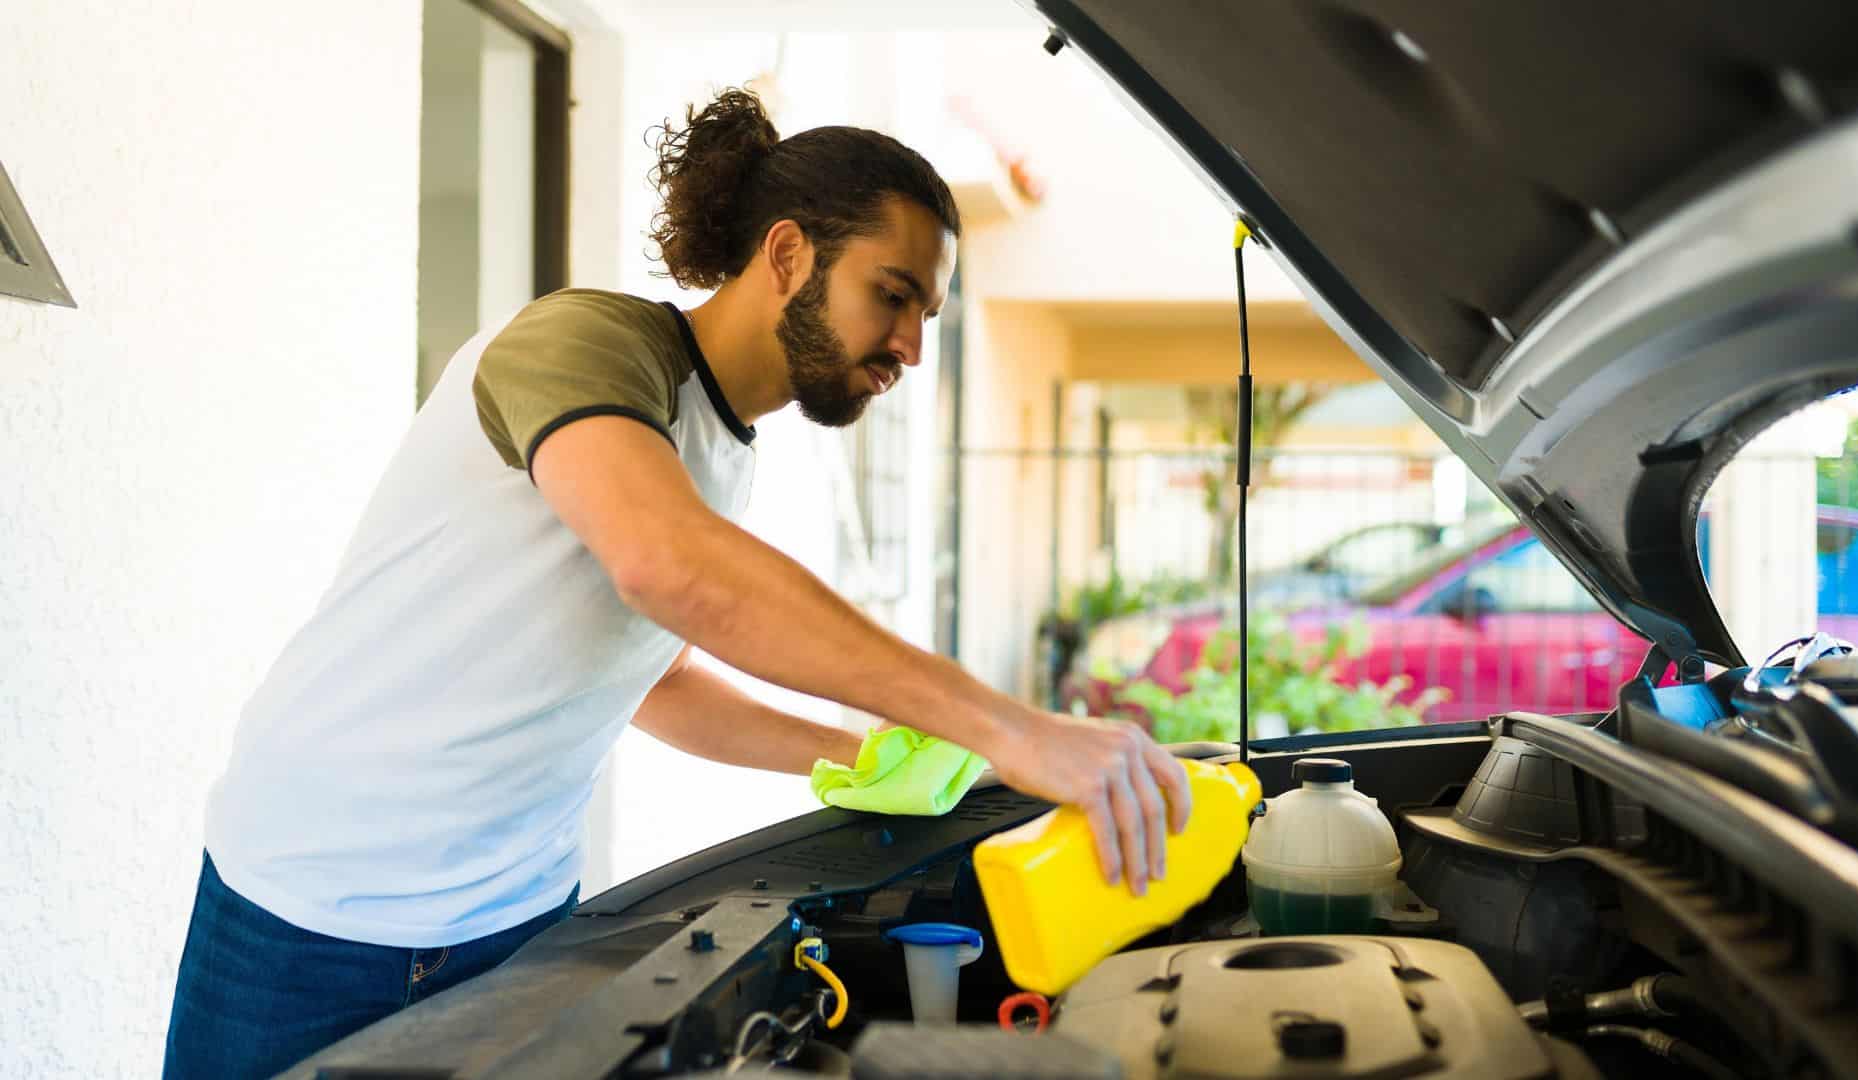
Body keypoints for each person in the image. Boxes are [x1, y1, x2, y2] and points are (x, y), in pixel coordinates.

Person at [162, 87, 1192, 1078]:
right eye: (893, 295)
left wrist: (853, 755)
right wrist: (1009, 729)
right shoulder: (584, 342)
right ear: (786, 255)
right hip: (311, 912)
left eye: (927, 313)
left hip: (516, 918)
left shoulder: (723, 450)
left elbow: (656, 682)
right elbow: (671, 569)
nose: (914, 348)